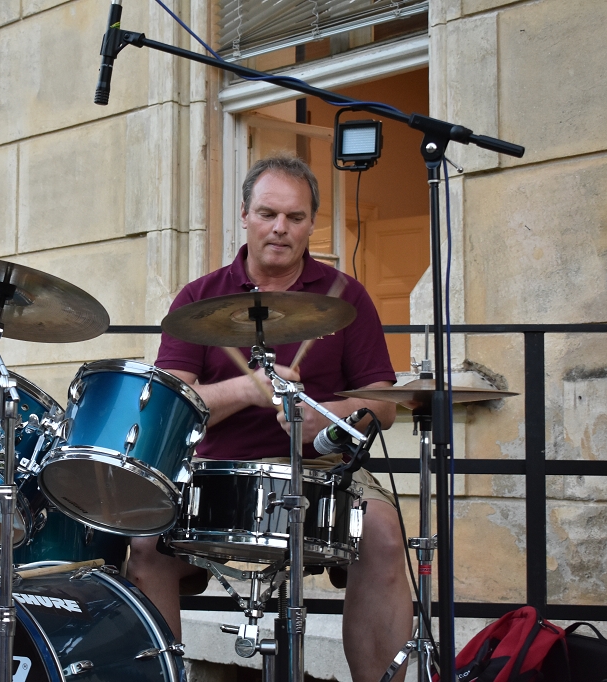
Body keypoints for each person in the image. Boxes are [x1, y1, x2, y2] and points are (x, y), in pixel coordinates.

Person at [125, 156, 413, 682]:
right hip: (213, 471)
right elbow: (171, 405)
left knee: (383, 533)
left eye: (295, 217)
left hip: (322, 470)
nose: (281, 228)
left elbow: (385, 405)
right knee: (145, 546)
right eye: (267, 213)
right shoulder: (200, 298)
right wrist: (246, 389)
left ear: (311, 223)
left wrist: (325, 416)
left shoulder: (345, 295)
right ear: (244, 215)